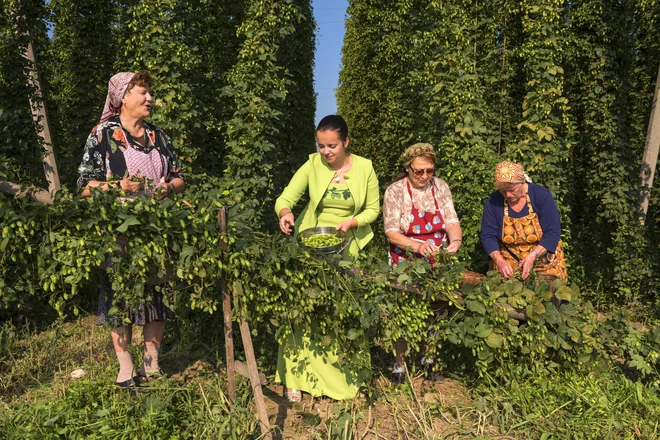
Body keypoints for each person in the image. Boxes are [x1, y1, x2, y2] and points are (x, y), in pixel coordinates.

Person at [77, 71, 185, 389]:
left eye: (149, 92)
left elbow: (179, 176)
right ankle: (126, 372)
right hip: (119, 231)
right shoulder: (104, 134)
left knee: (158, 295)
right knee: (118, 298)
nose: (149, 98)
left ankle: (151, 367)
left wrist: (169, 188)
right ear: (123, 96)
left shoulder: (158, 136)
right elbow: (84, 185)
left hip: (156, 228)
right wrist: (117, 186)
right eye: (142, 92)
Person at [274, 114, 380, 401]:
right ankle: (294, 378)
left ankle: (345, 379)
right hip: (312, 246)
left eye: (332, 146)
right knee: (303, 309)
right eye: (321, 146)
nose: (326, 152)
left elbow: (373, 209)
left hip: (349, 247)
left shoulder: (365, 168)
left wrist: (351, 223)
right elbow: (285, 198)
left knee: (342, 311)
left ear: (346, 142)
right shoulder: (312, 164)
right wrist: (286, 214)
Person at [382, 143, 463, 383]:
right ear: (407, 168)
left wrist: (455, 242)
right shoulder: (395, 191)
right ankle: (399, 363)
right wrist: (417, 246)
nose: (424, 176)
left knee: (435, 309)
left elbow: (451, 219)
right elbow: (391, 232)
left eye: (429, 170)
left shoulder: (440, 187)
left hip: (437, 257)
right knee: (403, 310)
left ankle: (429, 359)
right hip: (405, 259)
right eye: (418, 171)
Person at [480, 160, 567, 281]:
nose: (508, 195)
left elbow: (552, 233)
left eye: (511, 189)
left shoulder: (541, 196)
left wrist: (533, 256)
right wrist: (499, 261)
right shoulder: (493, 201)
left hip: (544, 263)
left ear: (522, 182)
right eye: (503, 191)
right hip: (508, 266)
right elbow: (488, 236)